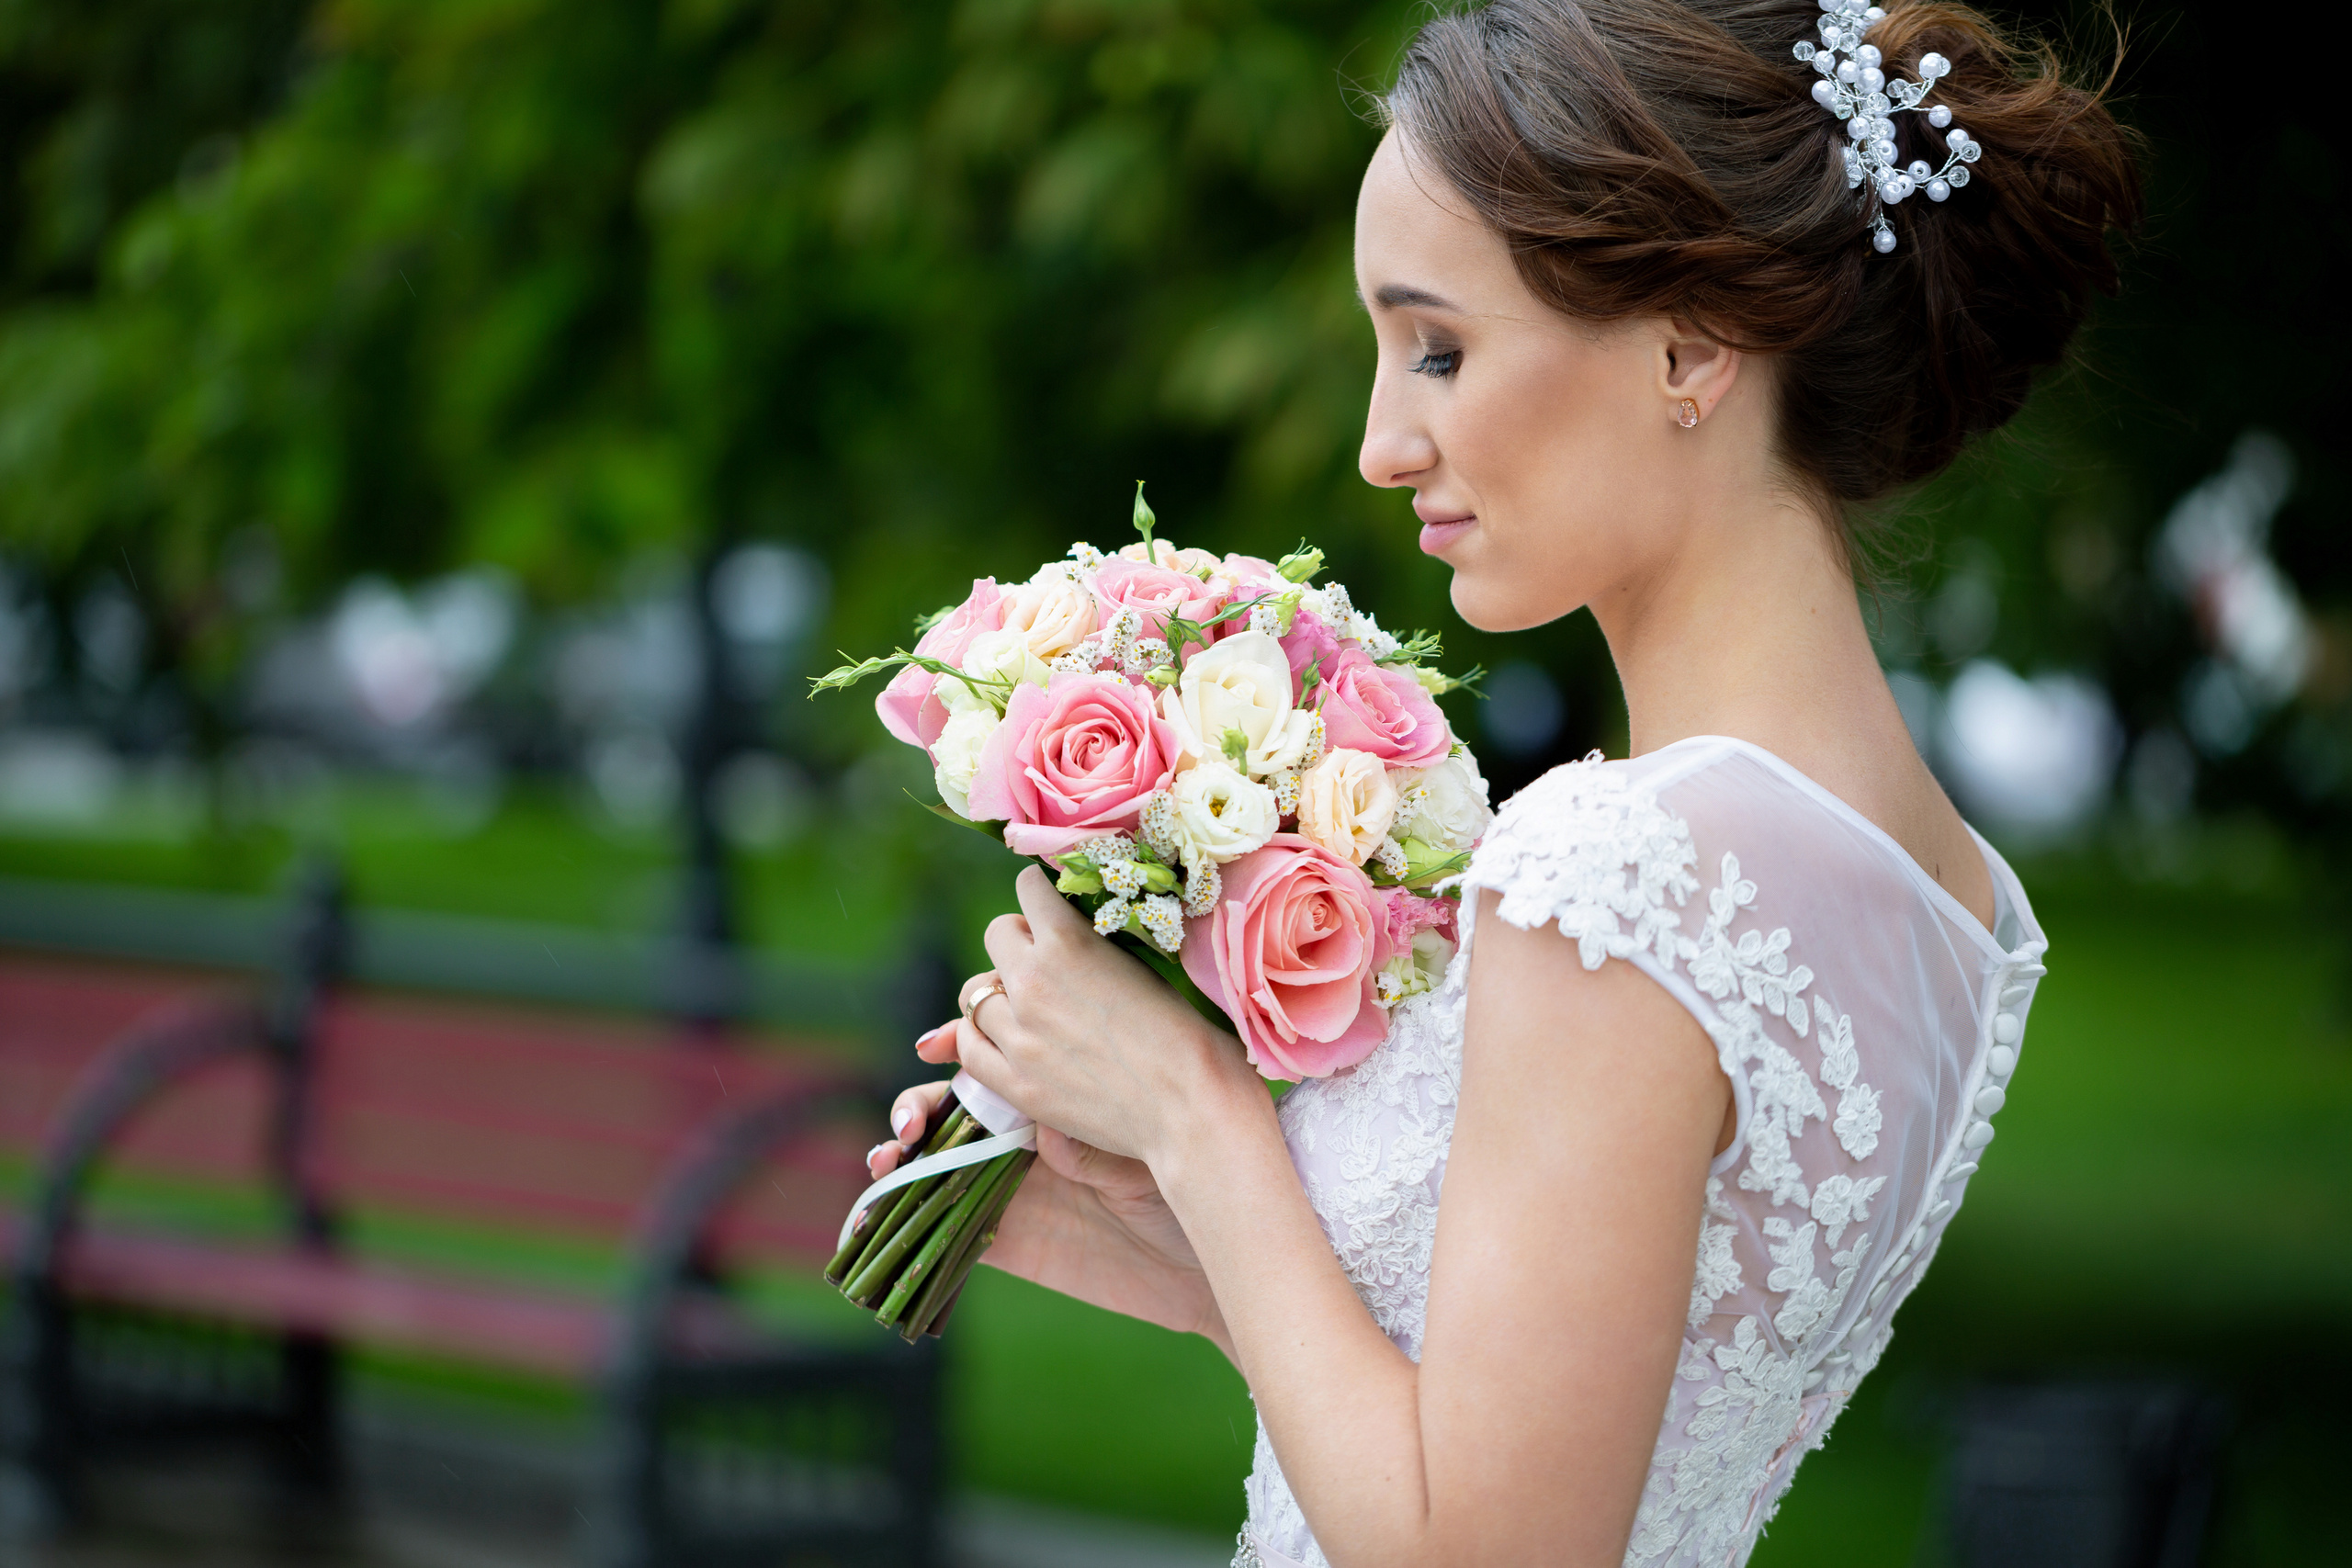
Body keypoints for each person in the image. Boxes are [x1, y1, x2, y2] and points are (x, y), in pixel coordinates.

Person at [867, 0, 2140, 1562]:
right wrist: (1174, 1240)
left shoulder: (1616, 874)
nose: (1383, 446)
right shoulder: (1949, 896)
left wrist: (1196, 1111)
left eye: (1443, 349)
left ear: (1688, 348)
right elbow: (1580, 1430)